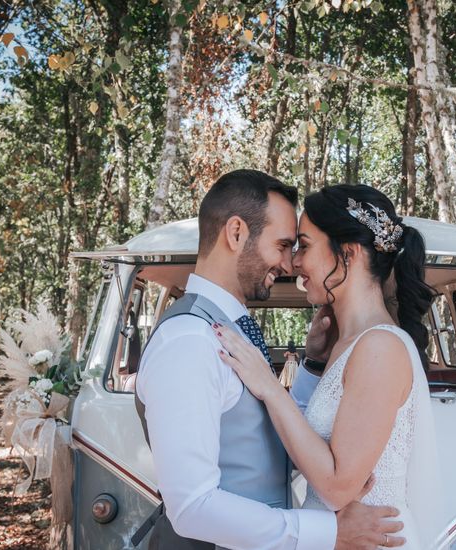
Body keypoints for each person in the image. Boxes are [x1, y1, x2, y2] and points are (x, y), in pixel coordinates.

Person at [134, 171, 405, 550]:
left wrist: (311, 366)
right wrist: (329, 533)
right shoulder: (189, 340)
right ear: (236, 233)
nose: (289, 264)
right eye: (282, 245)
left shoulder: (230, 330)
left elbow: (262, 439)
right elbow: (192, 506)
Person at [215, 184, 443, 549]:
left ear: (348, 253)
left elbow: (338, 487)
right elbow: (315, 450)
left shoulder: (380, 348)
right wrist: (313, 363)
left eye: (304, 246)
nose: (293, 262)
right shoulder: (347, 344)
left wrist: (270, 387)